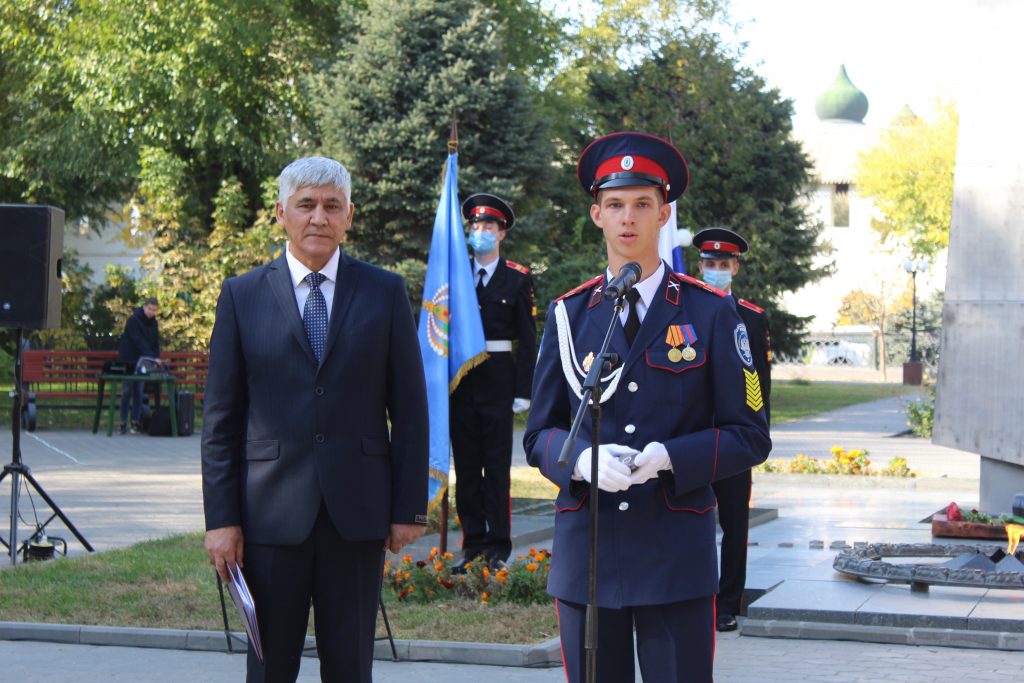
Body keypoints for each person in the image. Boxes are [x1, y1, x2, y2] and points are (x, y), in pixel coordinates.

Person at [524, 132, 771, 683]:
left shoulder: (710, 314)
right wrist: (580, 460)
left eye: (642, 204)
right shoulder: (570, 314)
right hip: (589, 550)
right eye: (615, 205)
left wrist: (668, 456)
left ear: (664, 214)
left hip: (674, 552)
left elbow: (749, 434)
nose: (628, 218)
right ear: (597, 215)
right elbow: (540, 433)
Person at [201, 156, 429, 683]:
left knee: (350, 667)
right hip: (268, 517)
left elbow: (411, 410)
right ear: (281, 213)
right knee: (269, 669)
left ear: (350, 215)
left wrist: (408, 508)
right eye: (306, 206)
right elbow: (220, 419)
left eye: (331, 206)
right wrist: (220, 519)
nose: (318, 218)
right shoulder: (241, 296)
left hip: (357, 514)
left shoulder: (384, 292)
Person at [692, 226, 773, 633]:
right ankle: (693, 598)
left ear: (735, 268)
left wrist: (758, 435)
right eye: (710, 264)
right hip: (691, 436)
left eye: (723, 265)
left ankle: (727, 603)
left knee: (735, 524)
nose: (716, 270)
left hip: (734, 438)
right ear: (699, 266)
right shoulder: (685, 309)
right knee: (690, 521)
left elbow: (759, 382)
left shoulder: (753, 319)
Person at [450, 193, 537, 571]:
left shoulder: (517, 278)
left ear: (501, 234)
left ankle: (498, 545)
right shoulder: (453, 274)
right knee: (467, 468)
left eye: (489, 226)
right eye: (476, 226)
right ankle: (472, 544)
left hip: (499, 385)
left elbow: (527, 338)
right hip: (462, 385)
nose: (481, 232)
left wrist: (523, 390)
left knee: (496, 469)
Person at [116, 297, 160, 434]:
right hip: (129, 360)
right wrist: (151, 356)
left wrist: (156, 358)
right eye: (150, 309)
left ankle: (135, 422)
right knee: (126, 391)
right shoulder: (133, 320)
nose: (152, 312)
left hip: (143, 361)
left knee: (139, 392)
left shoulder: (154, 323)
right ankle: (122, 422)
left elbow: (155, 342)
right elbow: (137, 340)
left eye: (154, 310)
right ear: (144, 307)